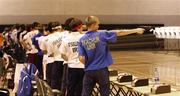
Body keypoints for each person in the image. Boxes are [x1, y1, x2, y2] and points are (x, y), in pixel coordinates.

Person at [78, 16, 144, 96]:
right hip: (101, 70)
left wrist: (90, 64)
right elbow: (119, 32)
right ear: (93, 25)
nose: (98, 26)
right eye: (97, 24)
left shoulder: (81, 40)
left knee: (85, 93)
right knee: (104, 93)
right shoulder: (101, 34)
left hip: (88, 71)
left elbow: (81, 58)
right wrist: (135, 30)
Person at [60, 18, 84, 96]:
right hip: (83, 66)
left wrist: (69, 59)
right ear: (79, 27)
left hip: (72, 66)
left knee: (71, 88)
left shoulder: (66, 39)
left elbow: (62, 54)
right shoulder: (84, 37)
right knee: (81, 89)